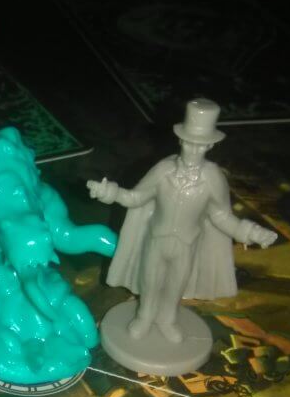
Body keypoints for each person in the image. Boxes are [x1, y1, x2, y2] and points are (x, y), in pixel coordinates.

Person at [87, 98, 276, 345]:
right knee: (149, 282)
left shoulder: (213, 177)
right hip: (157, 239)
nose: (193, 151)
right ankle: (144, 316)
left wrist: (251, 232)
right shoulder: (163, 169)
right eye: (189, 143)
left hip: (187, 244)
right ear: (180, 140)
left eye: (200, 146)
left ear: (210, 146)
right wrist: (110, 193)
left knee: (176, 286)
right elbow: (136, 197)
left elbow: (221, 216)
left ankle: (167, 319)